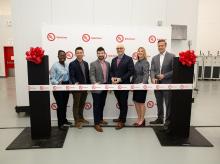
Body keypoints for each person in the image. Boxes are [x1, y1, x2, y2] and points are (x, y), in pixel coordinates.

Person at [150, 39, 175, 129]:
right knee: (159, 102)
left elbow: (174, 70)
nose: (160, 47)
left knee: (168, 104)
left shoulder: (172, 56)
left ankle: (168, 122)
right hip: (157, 84)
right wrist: (152, 77)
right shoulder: (154, 58)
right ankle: (160, 119)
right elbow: (152, 70)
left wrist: (164, 75)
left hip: (167, 84)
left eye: (162, 45)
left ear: (165, 46)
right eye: (159, 46)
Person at [110, 44, 134, 130]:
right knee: (120, 102)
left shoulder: (129, 59)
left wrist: (121, 79)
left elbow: (131, 71)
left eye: (121, 48)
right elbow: (111, 71)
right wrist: (112, 77)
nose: (119, 49)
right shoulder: (113, 60)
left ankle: (122, 121)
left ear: (124, 49)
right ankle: (120, 117)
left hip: (124, 85)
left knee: (123, 103)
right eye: (118, 48)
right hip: (115, 86)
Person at [50, 50, 72, 130]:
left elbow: (68, 77)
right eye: (61, 55)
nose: (62, 57)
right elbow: (52, 79)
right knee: (60, 106)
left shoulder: (67, 65)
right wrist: (58, 84)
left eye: (64, 55)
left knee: (64, 105)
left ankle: (64, 120)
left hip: (66, 87)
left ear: (66, 56)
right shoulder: (54, 66)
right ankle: (60, 124)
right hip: (58, 88)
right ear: (58, 56)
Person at [90, 47, 110, 132]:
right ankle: (96, 123)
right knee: (96, 105)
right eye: (99, 53)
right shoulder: (93, 64)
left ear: (104, 53)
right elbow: (91, 75)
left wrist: (109, 86)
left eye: (102, 53)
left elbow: (109, 75)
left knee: (102, 104)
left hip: (105, 86)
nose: (101, 54)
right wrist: (94, 83)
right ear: (97, 54)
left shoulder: (108, 63)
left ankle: (101, 119)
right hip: (97, 88)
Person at [69, 47, 90, 129]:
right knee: (76, 105)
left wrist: (89, 85)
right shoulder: (72, 64)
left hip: (85, 87)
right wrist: (75, 82)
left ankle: (81, 118)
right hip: (77, 88)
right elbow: (71, 76)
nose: (79, 54)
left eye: (81, 52)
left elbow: (87, 75)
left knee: (82, 104)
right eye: (77, 52)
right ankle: (76, 121)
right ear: (75, 54)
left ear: (83, 53)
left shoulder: (85, 63)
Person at [132, 47, 150, 127]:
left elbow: (146, 74)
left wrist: (143, 83)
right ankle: (139, 118)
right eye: (138, 51)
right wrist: (132, 85)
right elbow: (134, 75)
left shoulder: (145, 62)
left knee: (141, 103)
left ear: (144, 53)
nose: (140, 52)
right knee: (136, 102)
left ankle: (142, 120)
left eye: (142, 51)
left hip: (142, 86)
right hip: (136, 85)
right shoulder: (137, 62)